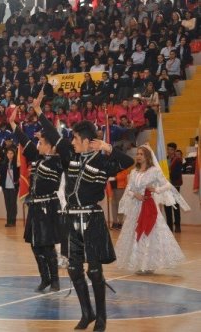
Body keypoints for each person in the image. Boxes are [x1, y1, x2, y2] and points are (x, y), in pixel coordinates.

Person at [33, 92, 135, 331]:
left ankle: (101, 317)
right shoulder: (69, 157)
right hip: (71, 218)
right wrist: (39, 112)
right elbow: (55, 136)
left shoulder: (102, 160)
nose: (72, 142)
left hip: (92, 219)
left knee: (95, 271)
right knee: (73, 268)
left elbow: (128, 163)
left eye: (77, 138)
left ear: (88, 141)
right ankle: (86, 313)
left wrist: (108, 148)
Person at [10, 102, 64, 292]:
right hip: (35, 207)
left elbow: (57, 139)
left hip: (49, 207)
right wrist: (13, 124)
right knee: (35, 245)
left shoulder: (58, 161)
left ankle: (55, 280)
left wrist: (41, 115)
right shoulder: (38, 158)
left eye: (41, 142)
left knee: (47, 245)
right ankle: (45, 278)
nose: (38, 144)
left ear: (50, 146)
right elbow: (25, 142)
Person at [115, 145, 188, 273]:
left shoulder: (154, 171)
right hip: (136, 208)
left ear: (148, 157)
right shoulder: (134, 172)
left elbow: (167, 185)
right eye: (137, 154)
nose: (138, 156)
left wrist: (156, 190)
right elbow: (129, 188)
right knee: (135, 233)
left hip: (149, 208)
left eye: (141, 154)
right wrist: (135, 194)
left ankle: (149, 264)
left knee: (150, 234)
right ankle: (138, 263)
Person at [0, 148, 19, 227]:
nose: (10, 155)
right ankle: (8, 221)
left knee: (13, 204)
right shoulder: (4, 164)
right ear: (6, 154)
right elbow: (2, 176)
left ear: (14, 154)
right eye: (8, 153)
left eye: (11, 153)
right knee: (7, 204)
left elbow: (19, 175)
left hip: (14, 187)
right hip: (5, 187)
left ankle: (13, 221)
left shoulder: (17, 164)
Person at [165, 142, 183, 232]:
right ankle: (169, 226)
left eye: (171, 149)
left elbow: (177, 174)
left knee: (175, 206)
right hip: (166, 187)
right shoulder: (164, 159)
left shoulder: (178, 160)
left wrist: (168, 175)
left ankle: (178, 226)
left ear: (175, 150)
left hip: (174, 185)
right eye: (168, 149)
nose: (169, 151)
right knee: (167, 206)